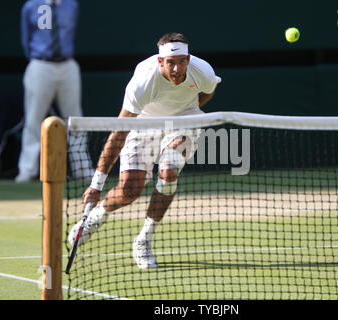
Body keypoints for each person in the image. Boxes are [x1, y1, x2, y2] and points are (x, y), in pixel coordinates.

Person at [68, 32, 222, 269]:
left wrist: (189, 109)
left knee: (169, 172)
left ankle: (144, 240)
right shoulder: (143, 82)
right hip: (143, 123)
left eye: (182, 61)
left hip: (183, 120)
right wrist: (96, 185)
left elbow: (208, 91)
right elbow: (119, 132)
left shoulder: (203, 72)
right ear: (160, 61)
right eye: (170, 62)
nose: (177, 68)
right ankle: (96, 216)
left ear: (188, 59)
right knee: (130, 190)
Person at [16, 0, 93, 183]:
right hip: (41, 65)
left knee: (75, 119)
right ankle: (27, 171)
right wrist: (40, 57)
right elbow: (26, 38)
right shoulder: (30, 6)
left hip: (67, 65)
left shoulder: (72, 5)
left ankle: (83, 170)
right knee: (34, 119)